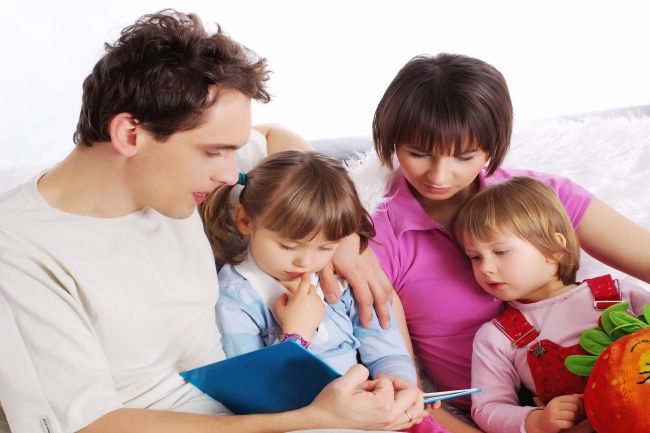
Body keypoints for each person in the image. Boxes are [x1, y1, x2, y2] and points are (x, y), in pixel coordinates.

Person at [0, 10, 423, 433]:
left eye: (232, 151)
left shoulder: (169, 181)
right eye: (214, 151)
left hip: (261, 405)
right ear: (130, 135)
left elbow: (278, 139)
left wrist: (346, 239)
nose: (229, 174)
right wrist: (310, 418)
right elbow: (89, 424)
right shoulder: (21, 248)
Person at [355, 53, 650, 431]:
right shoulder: (376, 239)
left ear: (491, 147)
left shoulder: (540, 198)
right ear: (391, 140)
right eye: (418, 153)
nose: (439, 175)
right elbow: (407, 391)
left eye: (464, 156)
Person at [203, 150, 447, 433]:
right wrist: (297, 334)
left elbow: (385, 351)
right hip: (310, 422)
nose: (306, 262)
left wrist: (398, 384)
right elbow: (255, 397)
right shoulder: (236, 297)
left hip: (370, 413)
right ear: (245, 220)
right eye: (288, 246)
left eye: (325, 247)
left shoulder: (338, 279)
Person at [453, 176, 650, 433]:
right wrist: (536, 420)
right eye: (475, 257)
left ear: (555, 248)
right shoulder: (496, 337)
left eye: (500, 252)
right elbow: (488, 407)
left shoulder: (619, 293)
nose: (486, 268)